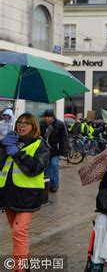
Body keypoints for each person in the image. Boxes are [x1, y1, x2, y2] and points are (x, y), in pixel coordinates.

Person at [0, 113, 50, 269]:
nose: (21, 126)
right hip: (8, 194)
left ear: (33, 127)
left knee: (19, 231)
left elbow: (35, 169)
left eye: (26, 123)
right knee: (18, 234)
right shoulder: (11, 141)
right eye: (19, 123)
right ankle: (24, 261)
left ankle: (19, 268)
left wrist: (17, 153)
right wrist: (2, 146)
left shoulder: (41, 145)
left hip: (28, 196)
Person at [39, 109, 69, 193]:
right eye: (46, 117)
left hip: (55, 149)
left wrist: (64, 150)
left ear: (53, 117)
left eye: (49, 117)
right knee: (46, 167)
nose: (48, 119)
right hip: (45, 149)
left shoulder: (59, 124)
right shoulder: (42, 124)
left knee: (54, 165)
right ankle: (47, 184)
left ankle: (54, 185)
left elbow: (64, 137)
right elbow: (39, 134)